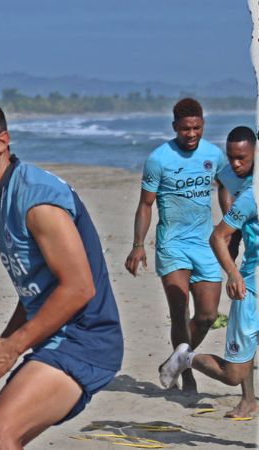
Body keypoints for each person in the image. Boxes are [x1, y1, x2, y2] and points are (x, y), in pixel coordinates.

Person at [0, 95, 123, 449]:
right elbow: (36, 291)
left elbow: (79, 289)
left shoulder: (37, 201)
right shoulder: (2, 192)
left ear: (2, 143)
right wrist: (5, 340)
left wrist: (12, 348)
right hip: (56, 339)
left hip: (85, 341)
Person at [124, 98, 229, 393]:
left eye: (197, 127)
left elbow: (224, 186)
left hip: (205, 244)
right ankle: (187, 376)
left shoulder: (213, 154)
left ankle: (178, 361)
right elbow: (146, 204)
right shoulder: (160, 159)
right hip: (172, 245)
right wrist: (137, 244)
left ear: (203, 124)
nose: (192, 134)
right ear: (175, 128)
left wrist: (229, 224)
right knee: (180, 309)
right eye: (185, 129)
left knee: (208, 315)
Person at [160, 126, 256, 418]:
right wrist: (232, 271)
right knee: (232, 374)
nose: (236, 164)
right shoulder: (247, 192)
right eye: (232, 158)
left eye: (242, 158)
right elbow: (220, 234)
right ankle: (185, 358)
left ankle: (250, 401)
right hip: (250, 285)